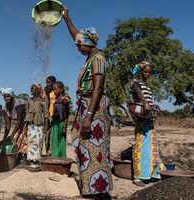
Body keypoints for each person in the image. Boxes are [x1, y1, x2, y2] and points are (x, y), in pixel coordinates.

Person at [62, 6, 113, 199]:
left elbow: (98, 88)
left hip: (95, 107)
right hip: (86, 105)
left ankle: (98, 190)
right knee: (83, 144)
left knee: (95, 146)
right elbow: (77, 36)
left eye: (80, 46)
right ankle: (90, 186)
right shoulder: (90, 56)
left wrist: (89, 116)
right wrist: (67, 19)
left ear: (90, 44)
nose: (78, 48)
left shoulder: (98, 59)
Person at [130, 61, 165, 187]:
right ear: (140, 71)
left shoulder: (147, 86)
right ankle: (137, 176)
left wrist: (152, 105)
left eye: (150, 72)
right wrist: (145, 103)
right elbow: (138, 92)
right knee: (140, 147)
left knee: (152, 147)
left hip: (149, 120)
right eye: (145, 71)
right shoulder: (135, 82)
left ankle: (153, 173)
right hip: (141, 120)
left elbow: (148, 101)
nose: (148, 74)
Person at [24, 84, 49, 168]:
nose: (31, 90)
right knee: (31, 141)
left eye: (33, 89)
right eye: (31, 88)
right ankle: (30, 158)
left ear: (38, 90)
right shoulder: (29, 100)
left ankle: (37, 159)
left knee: (38, 141)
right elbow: (27, 111)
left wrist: (46, 126)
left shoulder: (43, 101)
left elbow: (46, 114)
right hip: (30, 124)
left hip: (39, 124)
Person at [0, 87, 28, 154]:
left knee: (23, 138)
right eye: (5, 97)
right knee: (16, 139)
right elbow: (7, 124)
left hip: (28, 121)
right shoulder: (5, 109)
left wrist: (12, 134)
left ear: (12, 96)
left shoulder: (19, 104)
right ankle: (19, 155)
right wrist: (4, 139)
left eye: (8, 96)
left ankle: (25, 156)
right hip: (21, 123)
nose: (6, 98)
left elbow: (19, 120)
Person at [47, 81, 69, 157]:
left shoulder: (64, 100)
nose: (54, 91)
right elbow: (54, 114)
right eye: (53, 89)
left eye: (56, 89)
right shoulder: (54, 101)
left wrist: (64, 127)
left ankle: (62, 157)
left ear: (61, 89)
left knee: (61, 142)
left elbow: (67, 114)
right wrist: (51, 126)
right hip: (55, 123)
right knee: (54, 141)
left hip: (61, 123)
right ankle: (54, 157)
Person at [43, 75, 56, 155]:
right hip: (47, 115)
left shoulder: (56, 91)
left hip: (55, 115)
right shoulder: (46, 92)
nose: (48, 84)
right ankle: (48, 153)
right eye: (47, 83)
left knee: (53, 135)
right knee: (47, 135)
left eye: (49, 83)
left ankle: (53, 153)